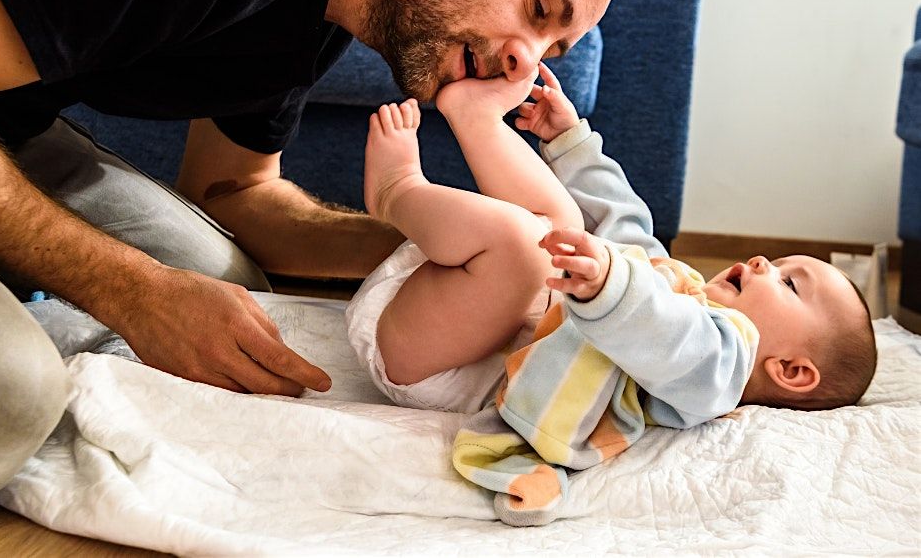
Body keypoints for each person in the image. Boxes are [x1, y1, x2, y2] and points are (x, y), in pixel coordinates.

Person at [0, 0, 631, 497]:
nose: (525, 61)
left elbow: (235, 192)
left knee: (227, 284)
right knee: (7, 402)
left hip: (2, 116)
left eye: (552, 52)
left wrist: (478, 253)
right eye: (539, 4)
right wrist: (130, 288)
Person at [348, 63, 878, 525]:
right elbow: (626, 221)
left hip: (434, 360)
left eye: (788, 283)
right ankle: (476, 120)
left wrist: (611, 285)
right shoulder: (678, 288)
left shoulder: (713, 375)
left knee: (528, 249)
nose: (765, 262)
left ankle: (395, 190)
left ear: (791, 370)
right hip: (452, 294)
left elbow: (672, 338)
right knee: (564, 226)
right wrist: (570, 143)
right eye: (780, 262)